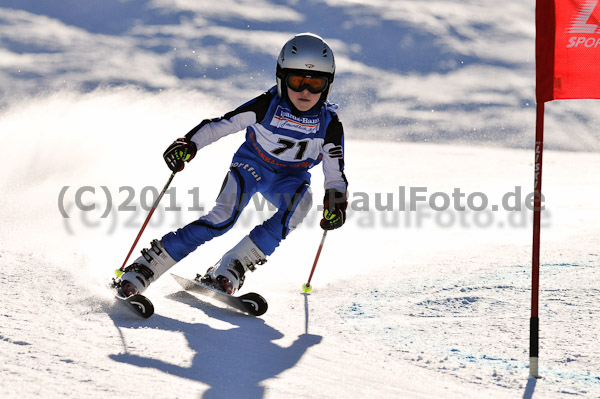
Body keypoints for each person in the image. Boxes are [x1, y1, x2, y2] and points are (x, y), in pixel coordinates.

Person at [117, 33, 348, 297]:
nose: (305, 92)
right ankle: (145, 267)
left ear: (326, 86)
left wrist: (336, 200)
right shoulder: (267, 105)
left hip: (290, 178)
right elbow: (222, 125)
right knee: (223, 218)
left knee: (300, 205)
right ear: (282, 79)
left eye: (315, 83)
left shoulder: (329, 124)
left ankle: (231, 267)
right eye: (297, 81)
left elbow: (335, 171)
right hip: (251, 166)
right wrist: (189, 145)